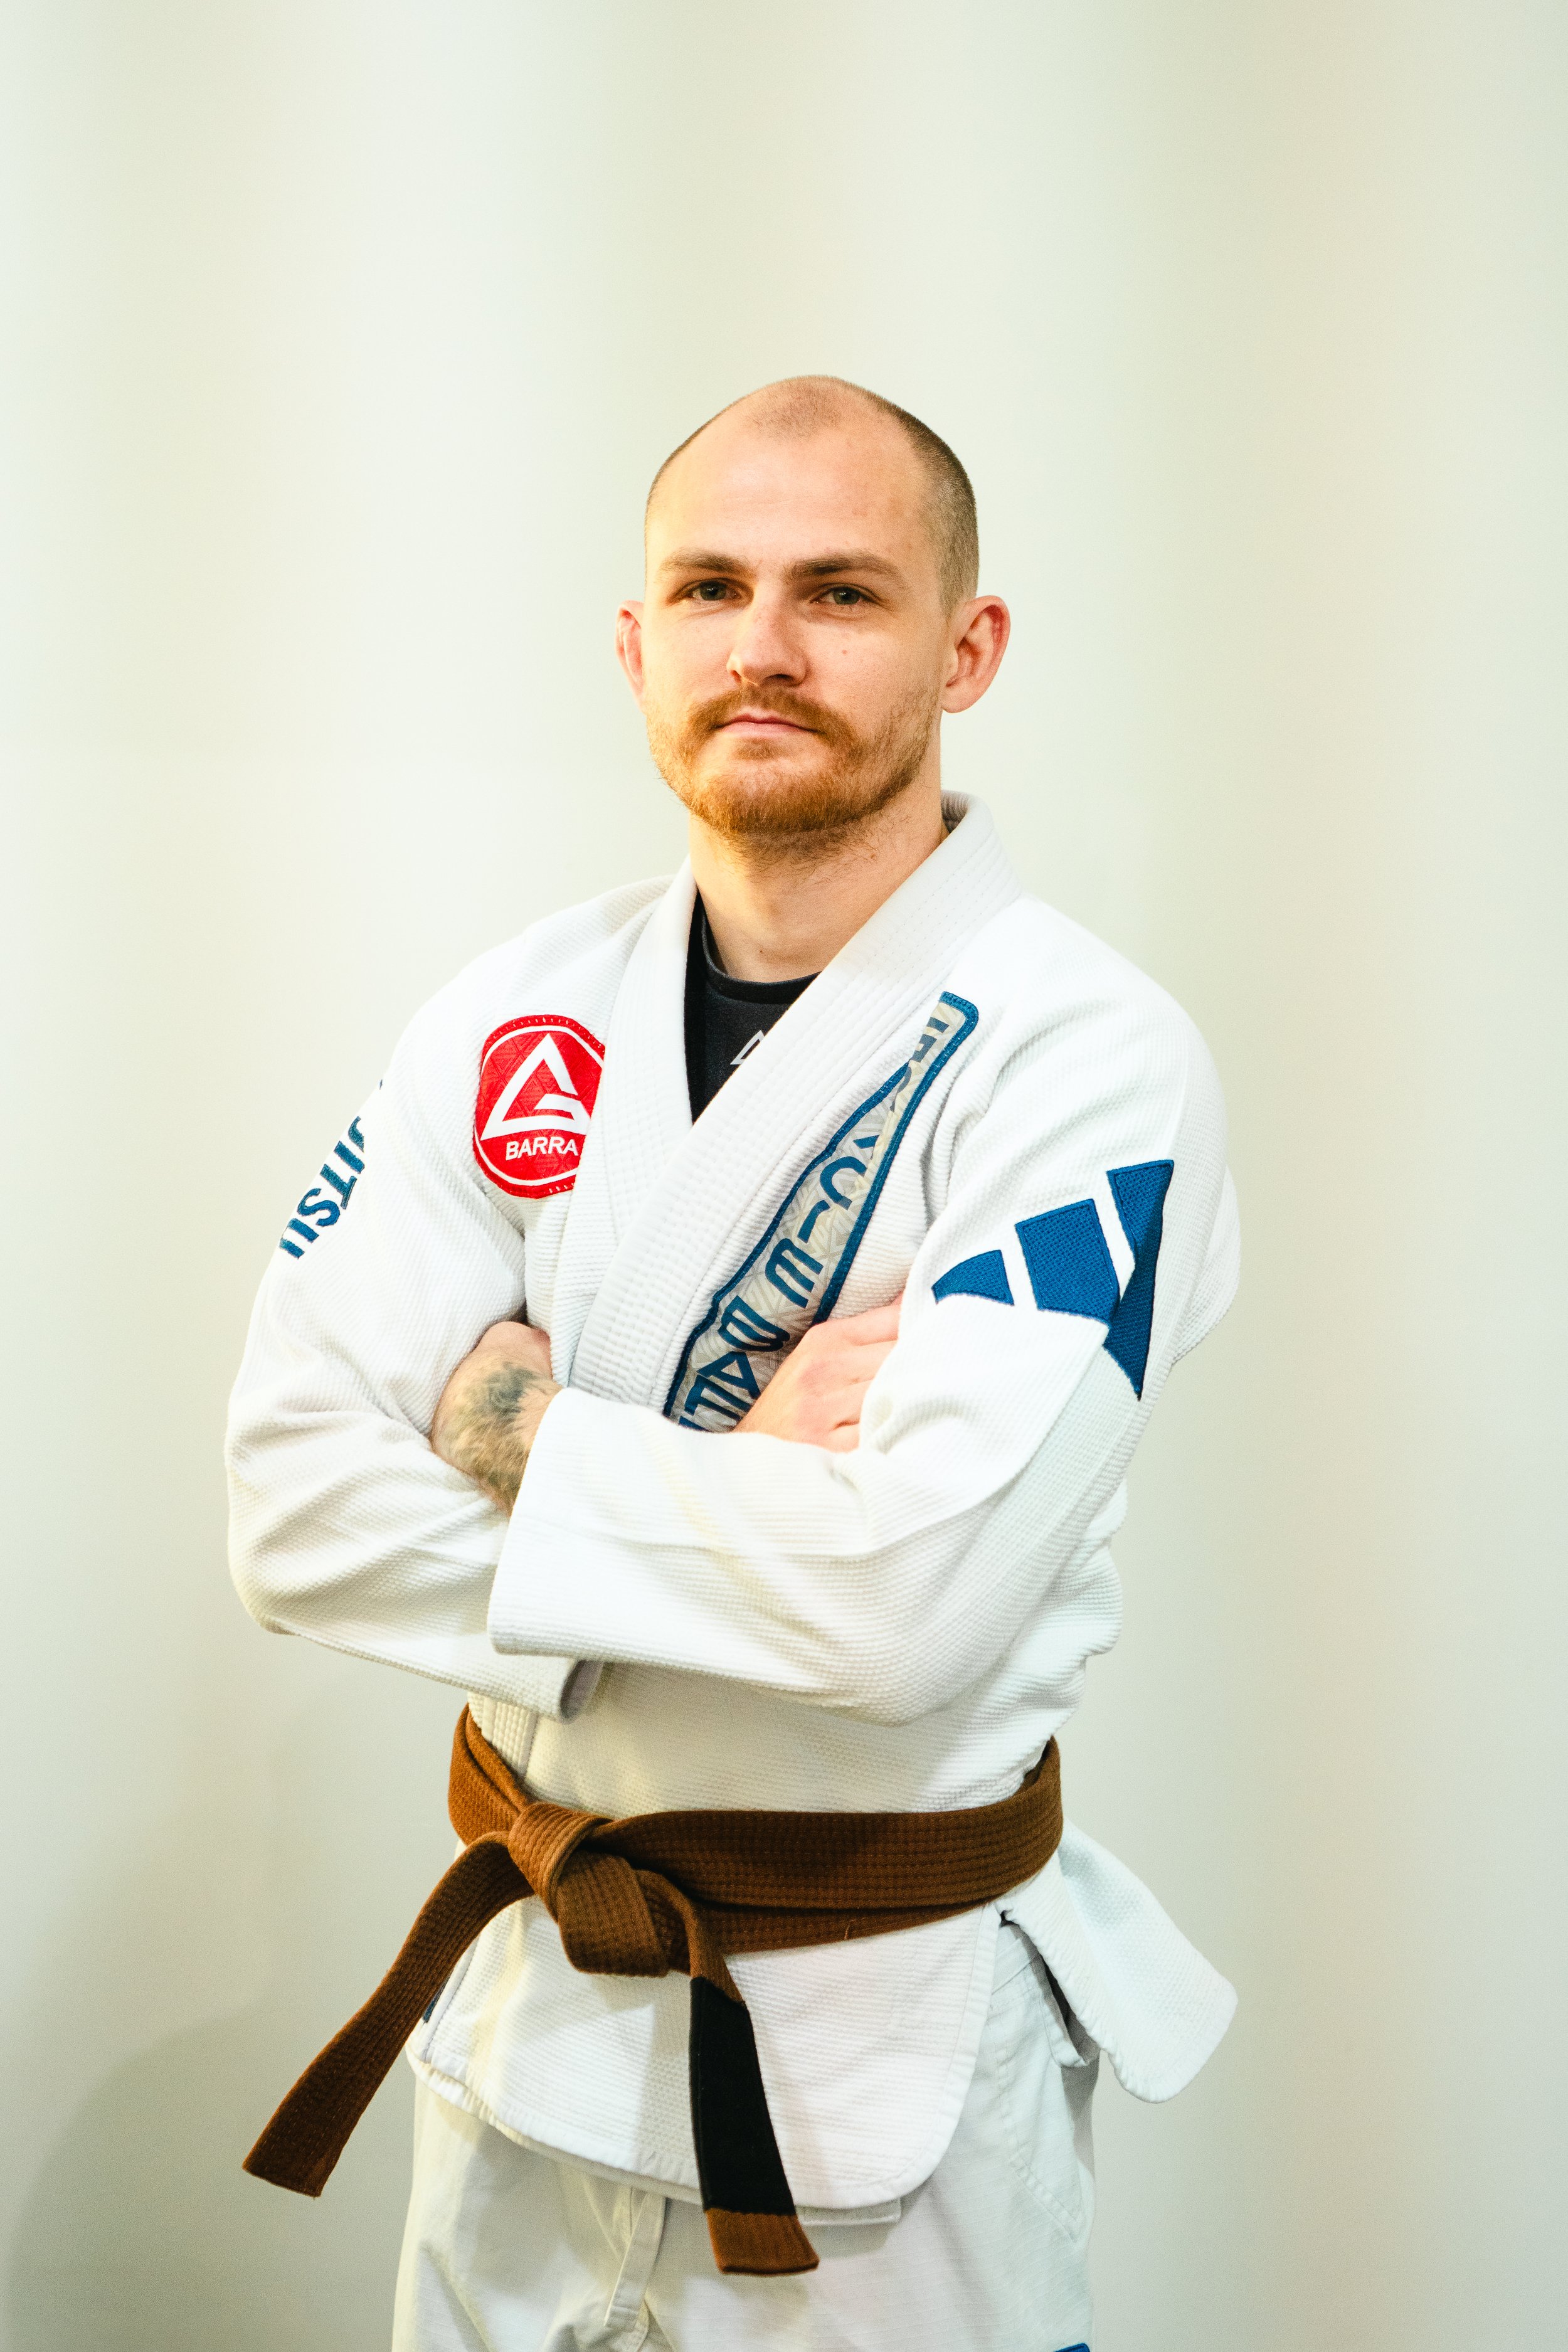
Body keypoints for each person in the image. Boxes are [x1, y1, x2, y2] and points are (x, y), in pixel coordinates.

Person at [227, 375, 1240, 2352]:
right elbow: (288, 1506)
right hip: (527, 2026)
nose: (759, 645)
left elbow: (905, 1598)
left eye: (839, 593)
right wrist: (733, 1473)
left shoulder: (1082, 1057)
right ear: (634, 642)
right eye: (707, 586)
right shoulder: (510, 1012)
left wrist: (514, 1425)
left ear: (968, 646)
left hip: (881, 2050)